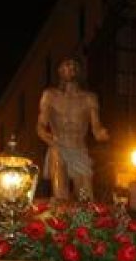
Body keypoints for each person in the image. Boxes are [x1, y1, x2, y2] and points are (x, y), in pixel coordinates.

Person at [37, 57, 109, 202]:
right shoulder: (50, 95)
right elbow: (41, 124)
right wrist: (45, 135)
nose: (71, 68)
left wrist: (101, 133)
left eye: (74, 65)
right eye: (66, 65)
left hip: (78, 148)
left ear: (79, 71)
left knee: (86, 198)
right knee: (60, 195)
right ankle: (60, 219)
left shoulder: (89, 98)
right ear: (59, 71)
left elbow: (96, 127)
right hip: (58, 145)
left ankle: (82, 224)